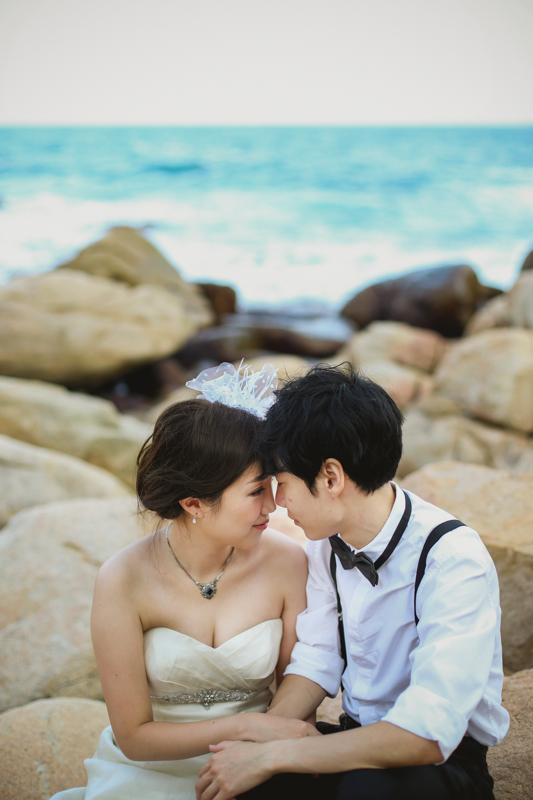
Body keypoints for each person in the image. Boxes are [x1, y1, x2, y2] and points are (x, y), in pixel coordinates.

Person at [196, 364, 510, 800]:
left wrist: (276, 755)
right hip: (353, 739)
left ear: (331, 477)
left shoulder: (452, 559)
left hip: (441, 765)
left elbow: (427, 733)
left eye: (283, 483)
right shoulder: (326, 543)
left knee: (365, 789)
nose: (279, 502)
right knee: (250, 785)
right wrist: (261, 740)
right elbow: (317, 659)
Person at [51, 363, 316, 800]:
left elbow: (299, 687)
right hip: (149, 773)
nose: (275, 504)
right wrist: (246, 724)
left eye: (272, 485)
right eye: (255, 492)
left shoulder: (288, 562)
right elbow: (133, 735)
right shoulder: (123, 580)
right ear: (195, 503)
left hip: (255, 762)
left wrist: (270, 751)